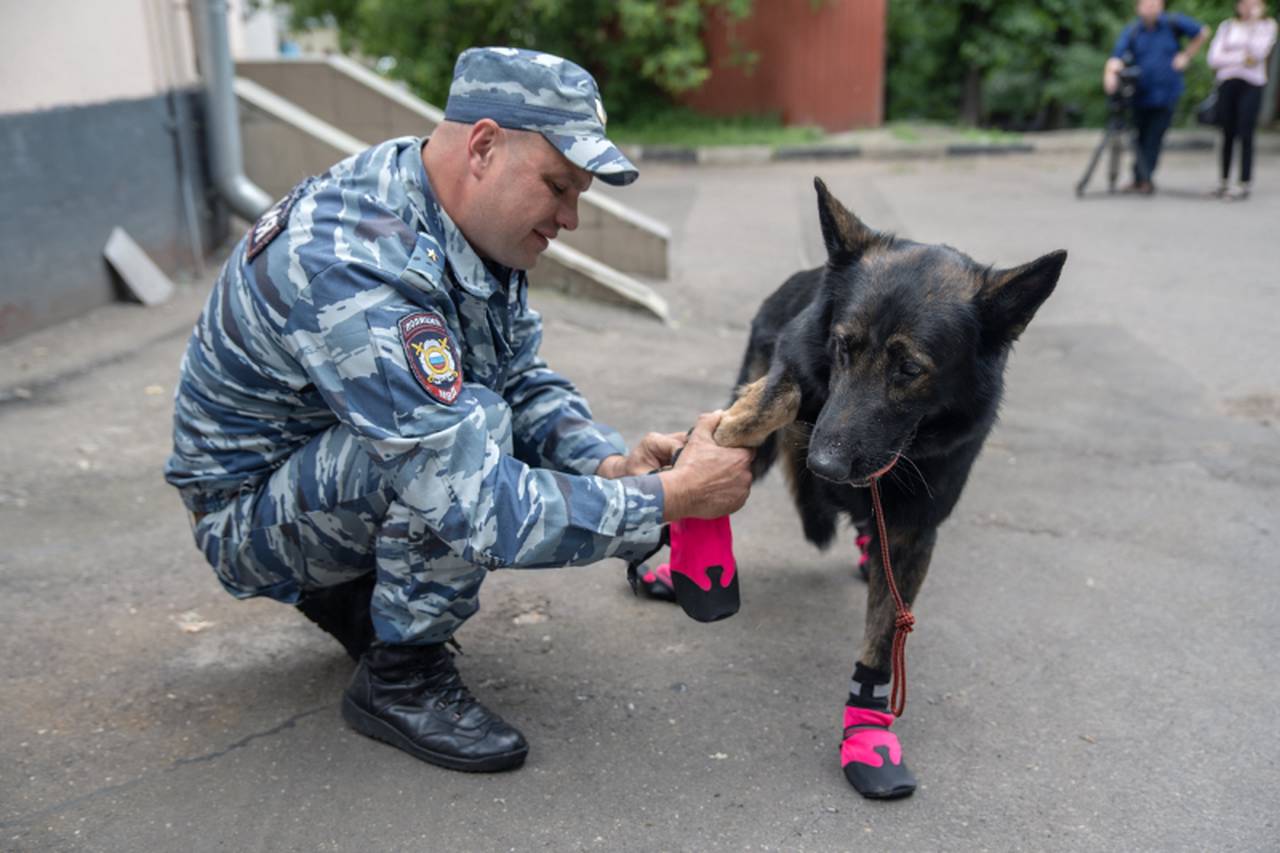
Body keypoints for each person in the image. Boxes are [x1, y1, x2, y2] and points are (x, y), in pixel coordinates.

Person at [164, 46, 754, 773]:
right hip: (248, 517)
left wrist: (608, 463)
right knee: (462, 437)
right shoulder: (352, 261)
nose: (570, 217)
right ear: (483, 146)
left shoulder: (456, 215)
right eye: (559, 186)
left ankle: (356, 597)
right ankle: (400, 678)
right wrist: (664, 499)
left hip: (315, 461)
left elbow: (523, 375)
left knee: (473, 411)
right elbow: (475, 504)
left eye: (581, 195)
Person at [1104, 0, 1211, 194]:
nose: (1150, 8)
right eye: (1146, 4)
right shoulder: (1133, 30)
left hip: (1166, 93)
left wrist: (1186, 56)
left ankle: (1145, 178)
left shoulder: (1173, 23)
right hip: (1140, 94)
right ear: (1138, 7)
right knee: (1140, 136)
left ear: (1161, 6)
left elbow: (1202, 32)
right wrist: (1110, 74)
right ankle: (1138, 178)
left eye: (1154, 4)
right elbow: (1116, 56)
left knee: (1154, 137)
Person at [1207, 0, 1278, 199]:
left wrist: (1252, 26)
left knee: (1245, 132)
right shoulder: (1228, 27)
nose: (1249, 7)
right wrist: (1240, 58)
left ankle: (1244, 181)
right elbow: (1214, 58)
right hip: (1228, 83)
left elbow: (1257, 54)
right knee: (1227, 132)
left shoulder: (1266, 26)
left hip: (1252, 84)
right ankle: (1224, 180)